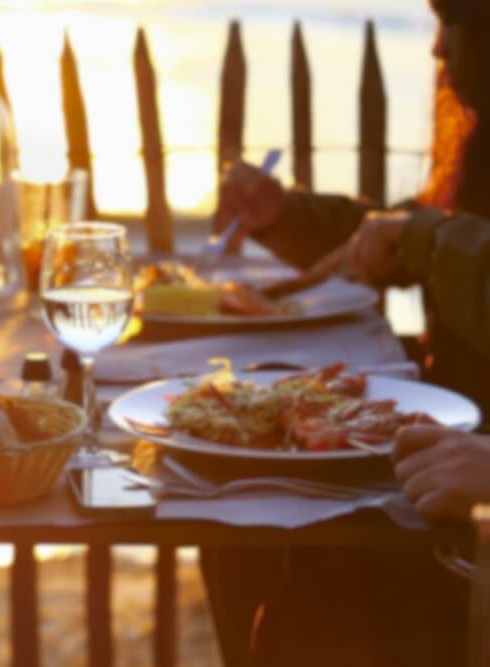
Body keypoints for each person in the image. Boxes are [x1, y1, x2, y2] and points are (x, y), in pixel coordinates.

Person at [201, 1, 490, 665]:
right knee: (239, 530)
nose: (438, 49)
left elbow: (438, 244)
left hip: (467, 524)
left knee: (294, 584)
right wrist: (287, 215)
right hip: (443, 464)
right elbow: (409, 238)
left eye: (461, 21)